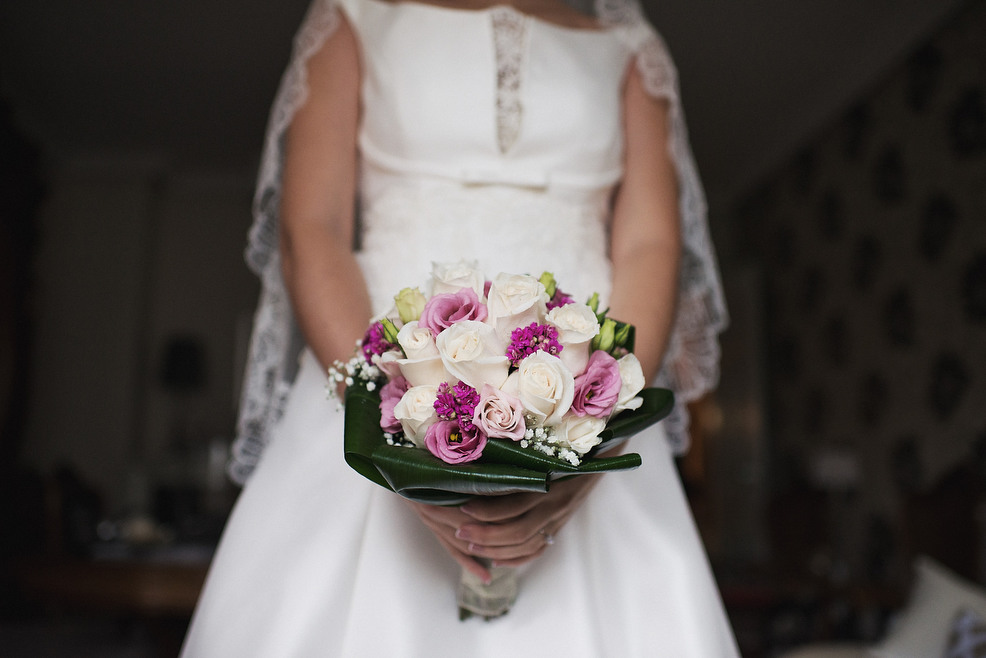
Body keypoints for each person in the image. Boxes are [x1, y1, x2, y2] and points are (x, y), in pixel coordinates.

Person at [182, 0, 737, 655]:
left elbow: (650, 245)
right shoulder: (352, 17)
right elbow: (313, 230)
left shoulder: (630, 47)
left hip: (582, 393)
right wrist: (392, 437)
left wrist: (595, 437)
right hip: (374, 380)